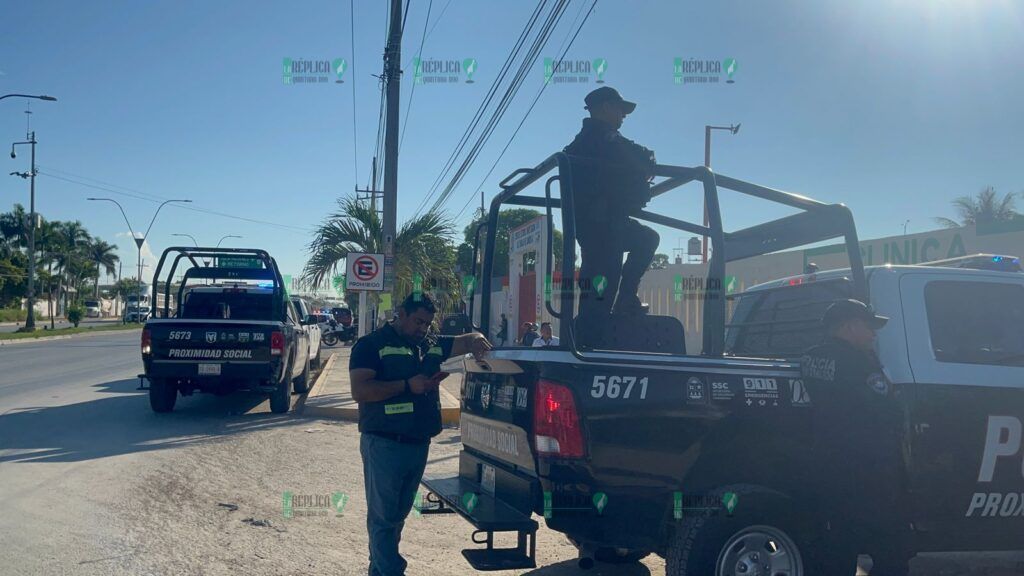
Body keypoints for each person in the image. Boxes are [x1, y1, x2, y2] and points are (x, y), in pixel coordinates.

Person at [349, 292, 492, 576]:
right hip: (384, 444)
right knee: (384, 518)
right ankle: (390, 571)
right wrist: (406, 385)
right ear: (400, 313)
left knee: (397, 517)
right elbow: (360, 390)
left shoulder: (430, 344)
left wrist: (477, 339)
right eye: (417, 322)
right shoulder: (371, 345)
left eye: (427, 324)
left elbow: (466, 339)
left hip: (418, 444)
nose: (422, 329)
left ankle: (379, 570)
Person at [800, 299, 910, 576]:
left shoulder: (810, 357)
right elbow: (888, 408)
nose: (874, 334)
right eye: (869, 326)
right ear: (849, 326)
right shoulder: (860, 362)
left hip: (828, 464)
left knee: (837, 546)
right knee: (892, 549)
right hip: (869, 471)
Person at [564, 86, 660, 332]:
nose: (624, 116)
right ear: (606, 107)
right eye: (620, 109)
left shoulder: (587, 141)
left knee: (645, 239)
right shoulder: (599, 138)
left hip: (603, 222)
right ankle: (592, 334)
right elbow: (639, 158)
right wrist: (643, 169)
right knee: (600, 288)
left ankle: (621, 302)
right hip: (602, 225)